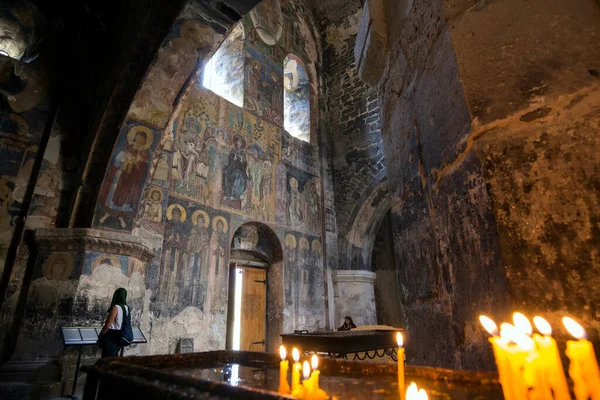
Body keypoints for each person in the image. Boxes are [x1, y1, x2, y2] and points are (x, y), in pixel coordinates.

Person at [98, 288, 130, 357]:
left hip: (111, 336)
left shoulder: (116, 307)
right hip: (120, 335)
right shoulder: (126, 307)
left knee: (107, 358)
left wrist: (101, 336)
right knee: (114, 358)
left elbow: (107, 325)